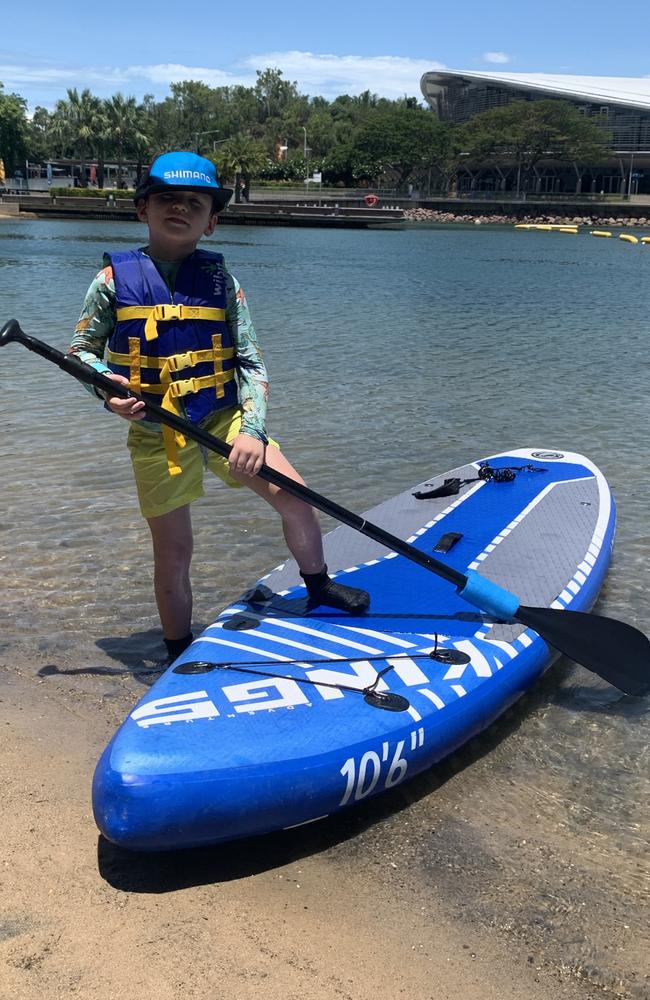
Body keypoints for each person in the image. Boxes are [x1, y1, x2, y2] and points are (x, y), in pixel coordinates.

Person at [69, 150, 370, 665]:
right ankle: (178, 651)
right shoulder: (111, 283)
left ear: (212, 222)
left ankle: (318, 586)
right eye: (166, 198)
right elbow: (80, 353)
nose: (180, 208)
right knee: (174, 550)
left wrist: (251, 431)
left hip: (223, 416)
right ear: (142, 209)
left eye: (195, 202)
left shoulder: (222, 284)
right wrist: (107, 390)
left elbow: (251, 362)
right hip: (154, 430)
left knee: (297, 499)